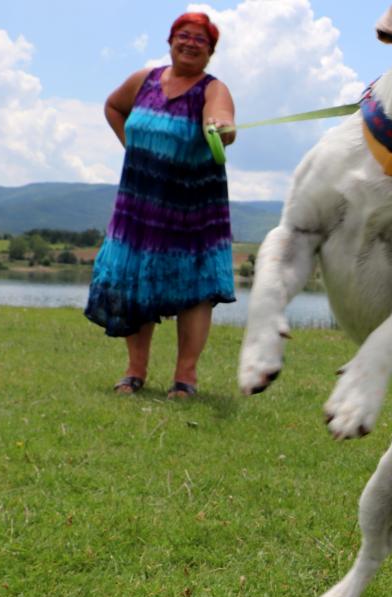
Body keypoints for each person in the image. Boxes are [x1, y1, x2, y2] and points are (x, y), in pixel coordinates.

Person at [84, 12, 237, 398]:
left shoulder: (213, 89)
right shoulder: (144, 80)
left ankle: (185, 378)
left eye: (201, 40)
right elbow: (113, 107)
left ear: (210, 52)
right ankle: (134, 371)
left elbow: (222, 120)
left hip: (191, 206)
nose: (190, 43)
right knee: (133, 277)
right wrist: (133, 148)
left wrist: (220, 128)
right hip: (139, 201)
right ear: (170, 41)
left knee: (194, 288)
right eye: (184, 35)